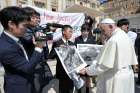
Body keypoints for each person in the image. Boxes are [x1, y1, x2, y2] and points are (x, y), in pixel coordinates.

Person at [79, 18, 138, 93]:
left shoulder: (113, 40)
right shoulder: (124, 35)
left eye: (103, 30)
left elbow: (104, 65)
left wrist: (87, 70)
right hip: (127, 74)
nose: (103, 34)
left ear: (111, 27)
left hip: (115, 77)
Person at [0, 6, 45, 93]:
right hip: (19, 87)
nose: (26, 29)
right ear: (11, 24)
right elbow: (27, 67)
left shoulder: (16, 37)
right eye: (24, 25)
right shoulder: (5, 47)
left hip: (29, 82)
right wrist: (39, 47)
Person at [21, 7, 53, 93]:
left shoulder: (35, 29)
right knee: (35, 88)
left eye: (37, 17)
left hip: (40, 62)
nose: (37, 20)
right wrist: (46, 33)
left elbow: (47, 37)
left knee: (41, 86)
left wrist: (47, 32)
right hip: (32, 65)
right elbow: (38, 38)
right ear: (26, 18)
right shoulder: (24, 31)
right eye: (33, 17)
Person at [49, 25, 75, 93]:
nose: (71, 34)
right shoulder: (57, 43)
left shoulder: (72, 44)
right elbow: (50, 56)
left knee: (70, 89)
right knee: (62, 90)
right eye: (70, 31)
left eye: (72, 32)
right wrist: (58, 49)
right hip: (61, 72)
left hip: (71, 72)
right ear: (63, 32)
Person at [75, 24, 95, 93]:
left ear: (89, 31)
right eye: (83, 31)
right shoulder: (77, 39)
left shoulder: (92, 40)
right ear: (81, 31)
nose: (85, 32)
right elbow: (75, 50)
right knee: (79, 77)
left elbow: (94, 51)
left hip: (88, 62)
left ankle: (87, 90)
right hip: (79, 62)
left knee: (87, 77)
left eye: (87, 31)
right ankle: (79, 90)